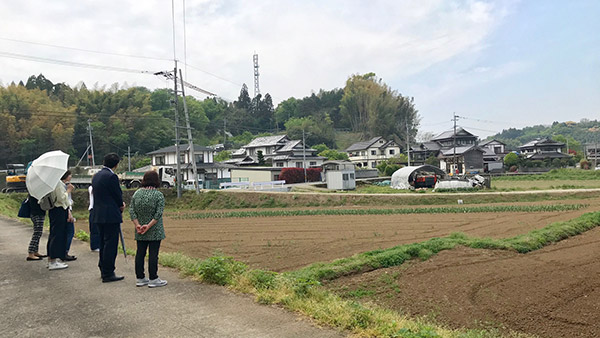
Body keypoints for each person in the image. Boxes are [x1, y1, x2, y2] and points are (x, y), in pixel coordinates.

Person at [91, 153, 125, 283]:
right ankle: (108, 272)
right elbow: (117, 194)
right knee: (111, 244)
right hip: (110, 214)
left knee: (102, 242)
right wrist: (121, 205)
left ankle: (103, 268)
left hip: (98, 213)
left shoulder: (97, 176)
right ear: (116, 165)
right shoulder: (112, 176)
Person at [130, 170, 167, 288]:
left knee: (140, 252)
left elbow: (132, 211)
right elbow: (158, 214)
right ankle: (153, 278)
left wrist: (138, 225)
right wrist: (149, 226)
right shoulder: (158, 195)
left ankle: (140, 278)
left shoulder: (137, 193)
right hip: (154, 229)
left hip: (139, 229)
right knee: (153, 253)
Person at [47, 176, 74, 270]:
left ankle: (51, 258)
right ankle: (53, 261)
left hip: (53, 210)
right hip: (59, 210)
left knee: (54, 234)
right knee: (57, 235)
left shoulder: (51, 182)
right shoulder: (57, 183)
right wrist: (68, 190)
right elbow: (61, 198)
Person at [26, 195, 47, 261]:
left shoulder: (32, 192)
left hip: (36, 213)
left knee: (38, 233)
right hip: (37, 214)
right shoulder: (35, 194)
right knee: (37, 233)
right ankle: (31, 253)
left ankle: (35, 251)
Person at [61, 171, 77, 261]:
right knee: (70, 232)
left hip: (67, 210)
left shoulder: (64, 185)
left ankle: (64, 252)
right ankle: (65, 252)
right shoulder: (64, 187)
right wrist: (69, 213)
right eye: (70, 175)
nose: (71, 176)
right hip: (66, 211)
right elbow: (64, 200)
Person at [88, 185, 100, 252]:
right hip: (93, 209)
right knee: (94, 228)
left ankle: (98, 245)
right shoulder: (91, 187)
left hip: (97, 209)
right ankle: (95, 246)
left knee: (98, 228)